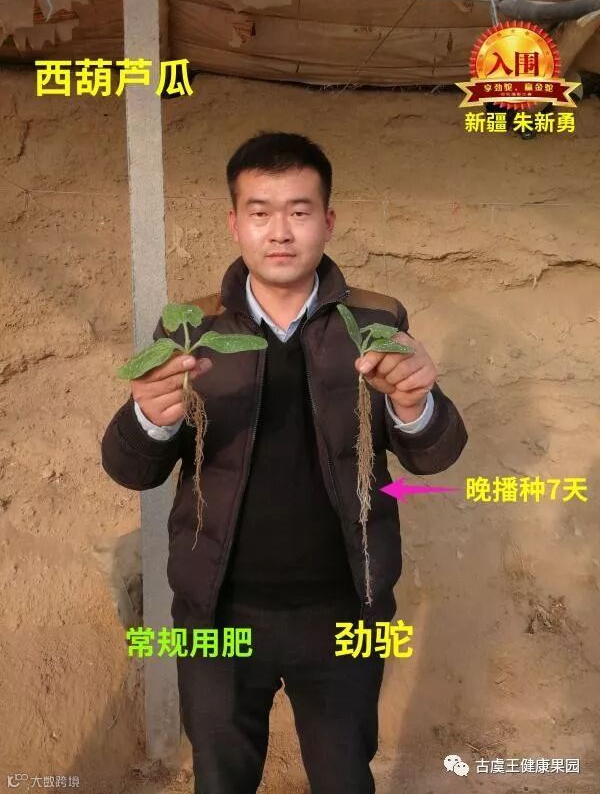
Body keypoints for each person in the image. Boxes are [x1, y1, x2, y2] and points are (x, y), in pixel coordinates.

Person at [101, 131, 468, 793]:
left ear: (328, 221)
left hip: (346, 610)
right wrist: (150, 418)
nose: (280, 231)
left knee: (344, 776)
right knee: (221, 777)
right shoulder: (189, 329)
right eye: (261, 212)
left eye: (299, 211)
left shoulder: (375, 319)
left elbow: (431, 453)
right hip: (216, 610)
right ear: (234, 224)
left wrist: (417, 405)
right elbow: (133, 469)